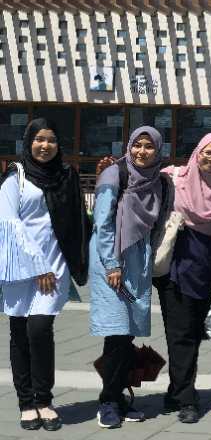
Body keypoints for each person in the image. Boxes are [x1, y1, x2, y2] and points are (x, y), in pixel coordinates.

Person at [0, 118, 89, 431]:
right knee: (19, 332)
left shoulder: (66, 175)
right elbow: (9, 223)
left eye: (51, 139)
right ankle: (26, 403)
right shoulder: (16, 176)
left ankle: (44, 399)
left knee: (39, 329)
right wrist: (36, 266)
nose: (45, 145)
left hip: (55, 265)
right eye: (39, 139)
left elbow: (78, 219)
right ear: (28, 142)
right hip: (21, 268)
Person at [89, 126, 169, 429]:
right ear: (129, 146)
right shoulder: (114, 174)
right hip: (112, 260)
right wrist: (112, 265)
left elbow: (159, 223)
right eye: (137, 145)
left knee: (126, 334)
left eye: (149, 146)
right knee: (117, 333)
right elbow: (102, 222)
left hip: (139, 262)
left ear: (158, 150)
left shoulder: (159, 182)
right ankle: (108, 401)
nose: (142, 152)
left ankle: (118, 396)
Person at [155, 133, 211, 424]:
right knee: (180, 334)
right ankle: (187, 399)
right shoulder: (172, 177)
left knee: (192, 334)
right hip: (174, 266)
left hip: (203, 268)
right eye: (207, 152)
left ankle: (175, 391)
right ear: (197, 152)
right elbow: (139, 182)